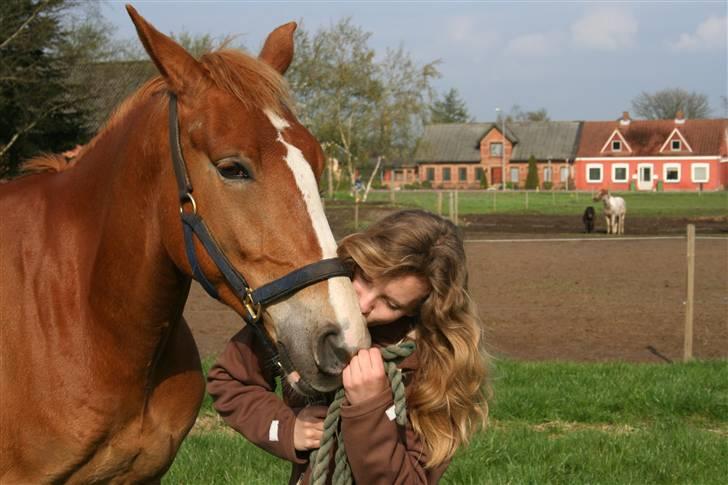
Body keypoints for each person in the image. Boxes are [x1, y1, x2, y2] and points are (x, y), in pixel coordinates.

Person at [207, 209, 490, 484]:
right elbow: (230, 381)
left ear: (419, 310)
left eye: (391, 304)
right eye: (365, 279)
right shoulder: (313, 310)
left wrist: (370, 407)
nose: (364, 305)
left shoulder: (438, 369)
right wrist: (286, 427)